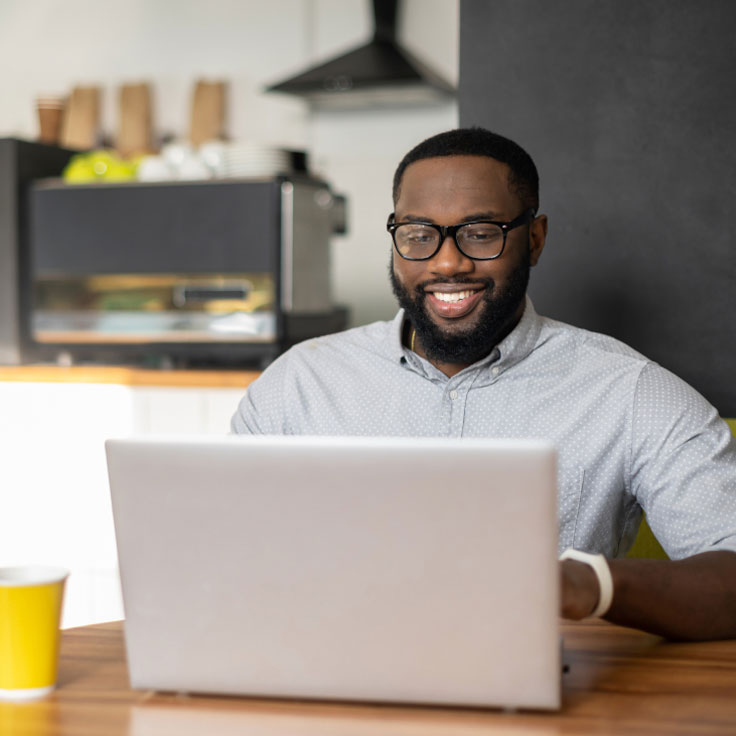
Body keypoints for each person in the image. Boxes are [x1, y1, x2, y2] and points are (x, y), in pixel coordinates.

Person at [232, 127, 736, 641]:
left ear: (534, 239)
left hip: (529, 695)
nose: (447, 262)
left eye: (480, 232)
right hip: (320, 675)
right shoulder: (299, 383)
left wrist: (584, 583)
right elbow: (218, 552)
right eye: (418, 234)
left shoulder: (632, 393)